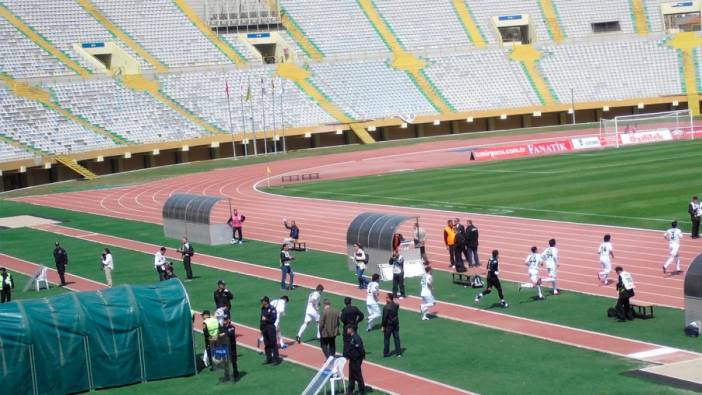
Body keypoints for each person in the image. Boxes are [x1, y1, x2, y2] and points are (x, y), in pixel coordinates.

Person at [218, 315, 241, 381]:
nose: (224, 321)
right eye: (224, 319)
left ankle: (236, 372)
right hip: (225, 346)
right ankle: (226, 374)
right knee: (226, 361)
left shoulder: (232, 327)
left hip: (232, 346)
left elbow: (231, 334)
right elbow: (220, 335)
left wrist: (224, 333)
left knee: (233, 360)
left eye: (226, 319)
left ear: (228, 320)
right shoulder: (221, 328)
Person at [260, 296, 282, 365]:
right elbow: (261, 319)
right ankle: (268, 358)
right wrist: (261, 327)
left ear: (266, 301)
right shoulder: (263, 308)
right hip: (264, 328)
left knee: (273, 343)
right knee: (267, 344)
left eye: (262, 301)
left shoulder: (272, 309)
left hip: (270, 328)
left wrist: (266, 319)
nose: (261, 302)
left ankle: (276, 359)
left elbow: (273, 319)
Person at [346, 325, 366, 395]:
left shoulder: (356, 338)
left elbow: (360, 349)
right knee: (351, 376)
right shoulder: (351, 337)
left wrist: (362, 357)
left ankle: (362, 391)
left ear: (351, 329)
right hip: (352, 359)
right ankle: (350, 391)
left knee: (358, 376)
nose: (347, 330)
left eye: (348, 329)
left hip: (356, 360)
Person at [381, 293, 402, 357]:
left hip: (388, 325)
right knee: (396, 338)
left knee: (387, 339)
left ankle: (386, 353)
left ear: (389, 298)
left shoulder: (386, 307)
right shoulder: (396, 305)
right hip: (395, 324)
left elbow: (384, 318)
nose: (385, 299)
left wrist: (383, 326)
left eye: (386, 297)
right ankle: (398, 353)